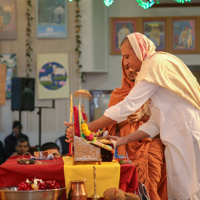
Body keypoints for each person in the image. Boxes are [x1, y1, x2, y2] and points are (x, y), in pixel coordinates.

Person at [65, 32, 200, 200]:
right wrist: (122, 140)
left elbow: (127, 106)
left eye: (127, 56)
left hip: (185, 136)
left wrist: (86, 128)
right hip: (177, 137)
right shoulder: (160, 62)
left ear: (138, 50)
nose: (126, 62)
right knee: (182, 191)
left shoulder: (153, 65)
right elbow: (155, 123)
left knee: (188, 192)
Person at [103, 59, 167, 200]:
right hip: (127, 149)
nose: (130, 70)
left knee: (152, 186)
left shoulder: (155, 90)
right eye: (126, 68)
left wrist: (143, 117)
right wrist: (126, 120)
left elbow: (164, 120)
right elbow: (111, 127)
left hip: (152, 145)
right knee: (131, 188)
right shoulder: (118, 94)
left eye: (132, 67)